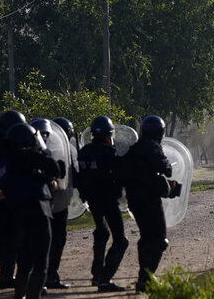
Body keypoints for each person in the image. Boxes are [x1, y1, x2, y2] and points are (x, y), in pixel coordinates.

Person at [1, 123, 62, 299]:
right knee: (41, 263)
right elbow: (55, 168)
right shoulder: (31, 156)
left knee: (25, 262)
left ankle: (19, 295)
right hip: (39, 211)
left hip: (17, 214)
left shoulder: (7, 161)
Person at [122, 115, 175, 292]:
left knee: (146, 238)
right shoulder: (153, 148)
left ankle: (143, 279)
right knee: (160, 240)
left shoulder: (133, 149)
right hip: (150, 200)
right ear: (160, 133)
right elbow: (166, 168)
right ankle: (146, 279)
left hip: (134, 201)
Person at [77, 116, 128, 292]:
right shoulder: (110, 153)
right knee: (120, 240)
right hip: (108, 201)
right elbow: (120, 176)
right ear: (108, 134)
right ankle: (104, 279)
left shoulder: (83, 152)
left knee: (102, 232)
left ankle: (97, 274)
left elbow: (79, 178)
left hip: (92, 201)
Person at [0, 110, 26, 288]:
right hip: (6, 194)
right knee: (11, 235)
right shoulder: (7, 144)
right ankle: (6, 276)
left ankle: (6, 273)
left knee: (5, 235)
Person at [31, 118, 71, 289]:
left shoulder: (58, 151)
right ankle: (36, 279)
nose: (45, 138)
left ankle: (51, 274)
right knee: (40, 241)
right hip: (40, 203)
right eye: (43, 135)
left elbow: (64, 172)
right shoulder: (28, 154)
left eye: (47, 134)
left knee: (58, 238)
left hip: (58, 200)